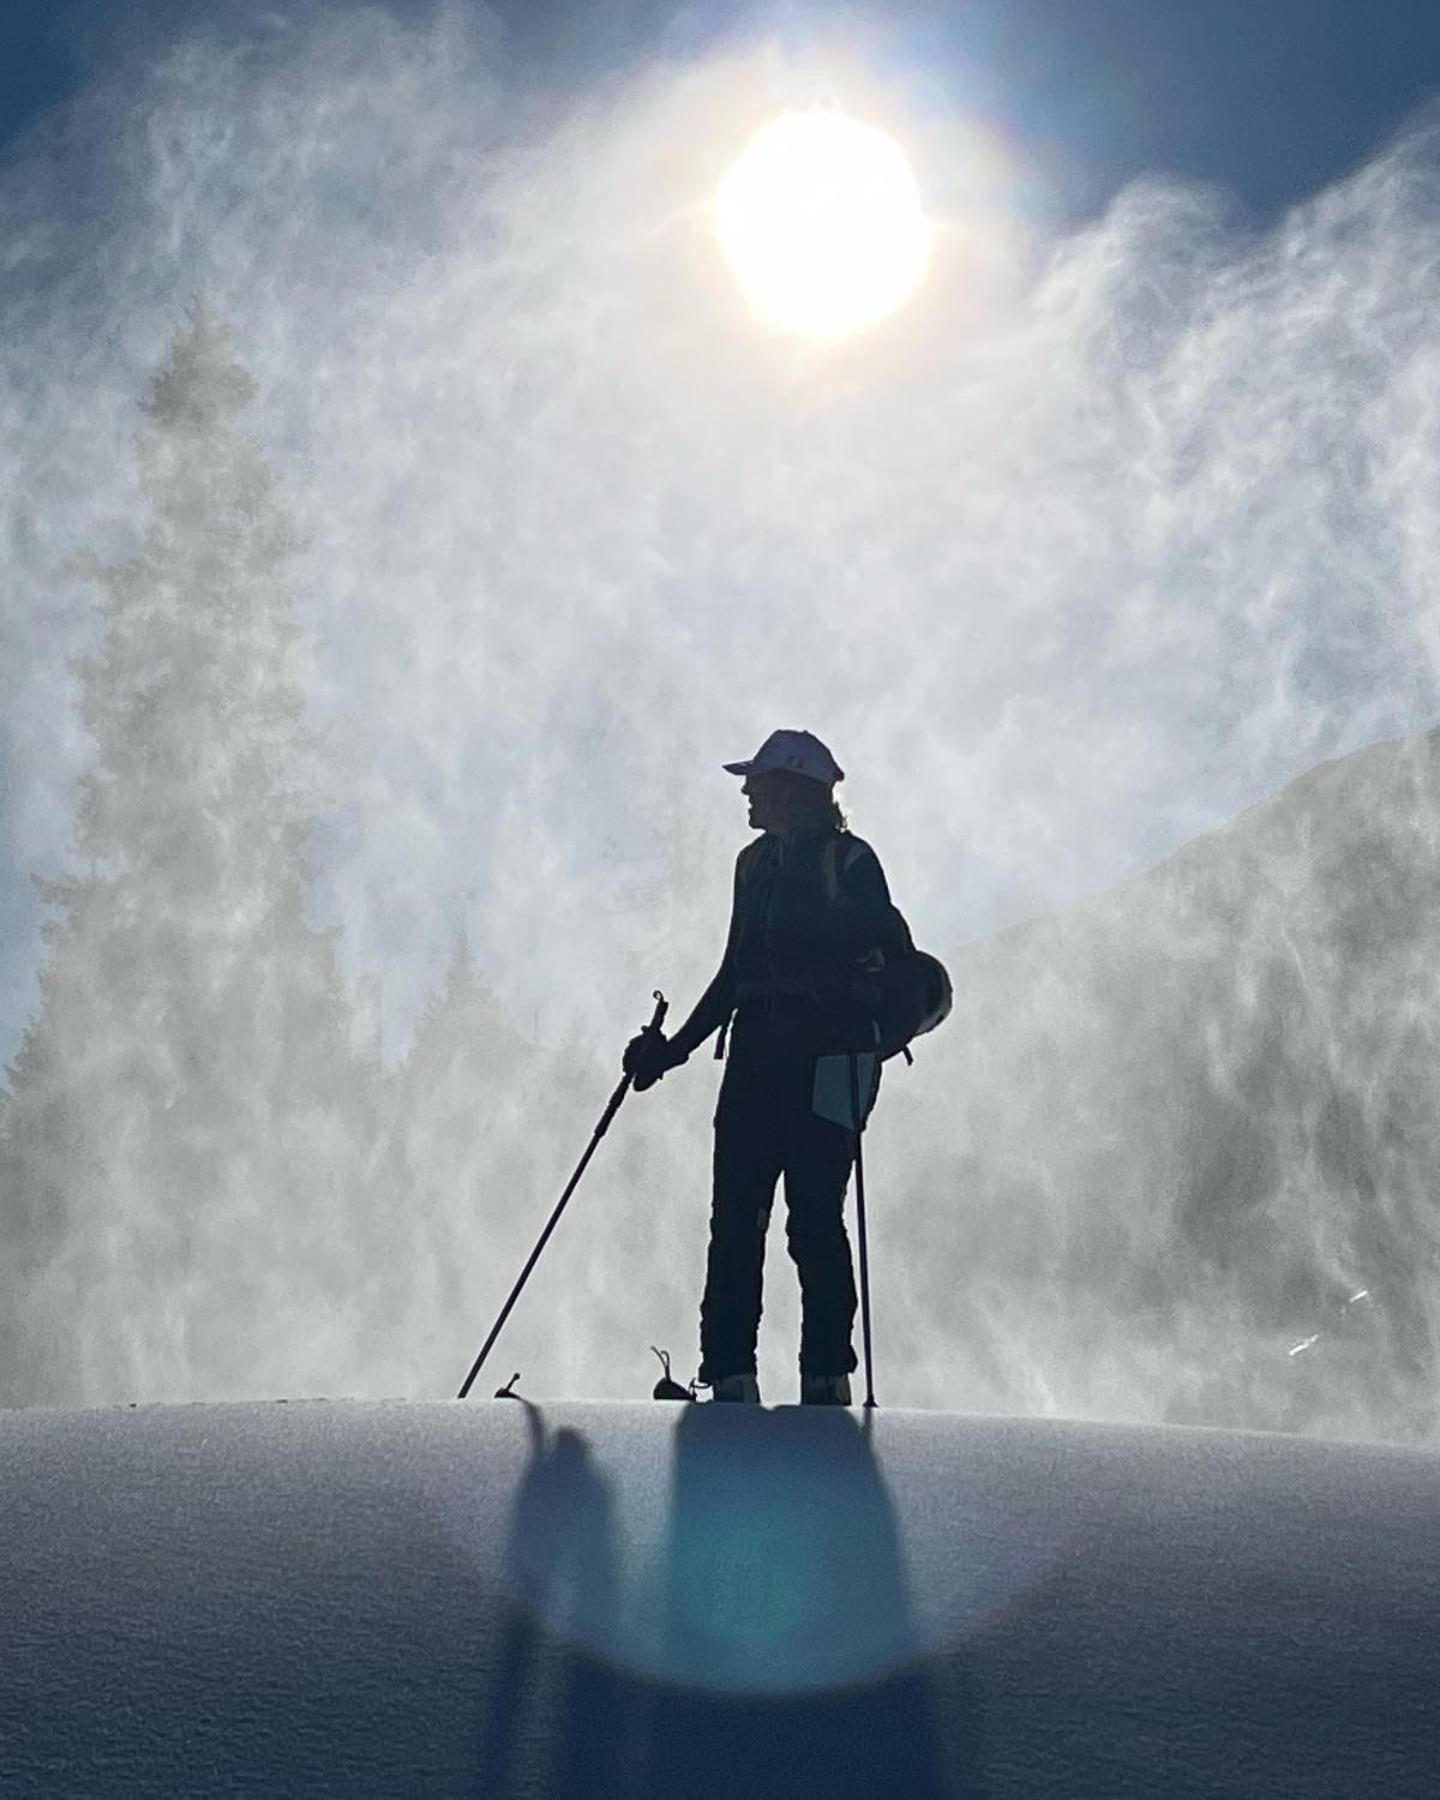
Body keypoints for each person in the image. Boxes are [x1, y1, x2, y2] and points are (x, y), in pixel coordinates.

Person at [624, 729, 913, 1405]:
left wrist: (679, 1050)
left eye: (757, 781)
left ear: (795, 787)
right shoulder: (754, 866)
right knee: (742, 1216)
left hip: (818, 1059)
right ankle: (741, 1373)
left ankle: (810, 1378)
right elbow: (734, 973)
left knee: (804, 1218)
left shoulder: (848, 861)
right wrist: (673, 1052)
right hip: (774, 1056)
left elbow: (883, 954)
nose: (747, 792)